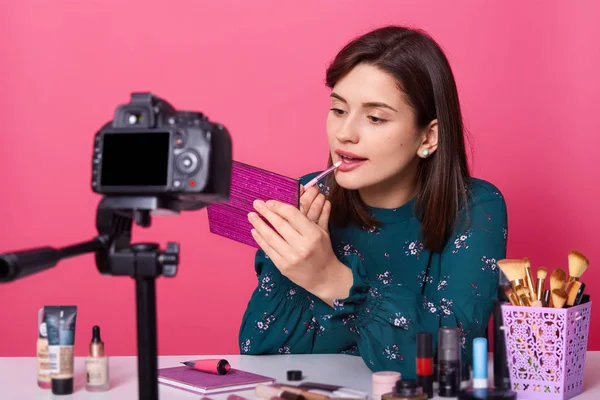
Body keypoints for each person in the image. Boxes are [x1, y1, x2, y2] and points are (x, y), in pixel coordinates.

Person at [238, 25, 508, 378]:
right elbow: (257, 349)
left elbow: (446, 361)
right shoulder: (308, 198)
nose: (345, 133)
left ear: (428, 136)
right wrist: (292, 264)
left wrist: (331, 279)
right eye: (338, 110)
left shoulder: (474, 208)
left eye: (375, 117)